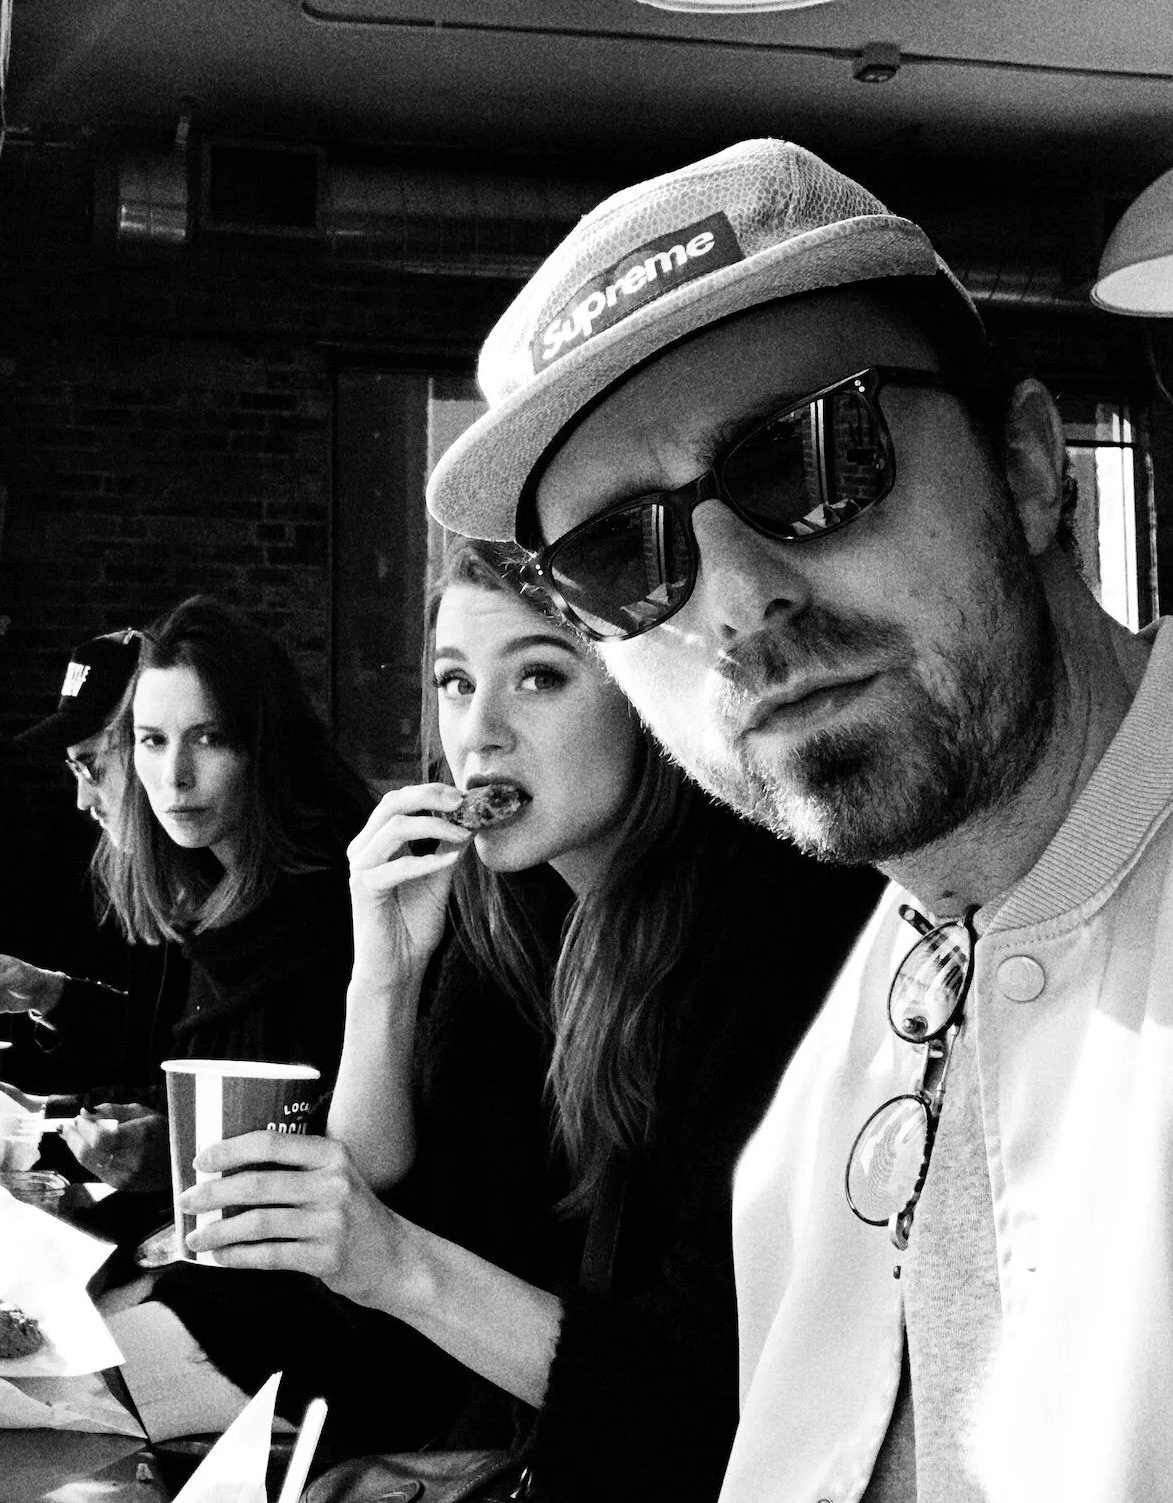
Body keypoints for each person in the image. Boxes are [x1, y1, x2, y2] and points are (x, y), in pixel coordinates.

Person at [423, 135, 1173, 1502]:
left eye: (806, 460)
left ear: (1027, 466)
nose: (735, 602)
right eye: (620, 557)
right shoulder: (840, 1069)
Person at [186, 538, 881, 1489]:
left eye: (540, 678)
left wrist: (398, 1264)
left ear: (645, 695)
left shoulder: (774, 925)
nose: (480, 734)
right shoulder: (506, 912)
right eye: (456, 682)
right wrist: (384, 976)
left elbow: (703, 1399)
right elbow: (387, 1223)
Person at [0, 594, 373, 1188]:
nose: (175, 777)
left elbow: (336, 1144)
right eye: (153, 740)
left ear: (265, 744)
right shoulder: (206, 882)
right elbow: (182, 1065)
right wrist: (56, 1080)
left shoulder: (338, 900)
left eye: (209, 737)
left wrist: (173, 1154)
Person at [0, 627, 182, 1101]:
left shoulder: (222, 885)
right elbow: (157, 1042)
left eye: (91, 766)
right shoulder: (155, 878)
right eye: (74, 770)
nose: (81, 800)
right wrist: (48, 993)